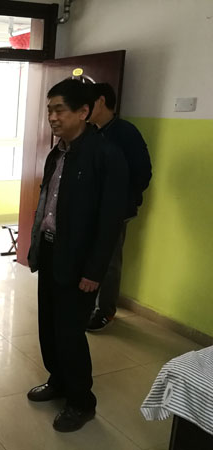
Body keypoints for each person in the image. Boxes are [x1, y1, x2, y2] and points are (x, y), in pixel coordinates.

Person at [26, 79, 128, 432]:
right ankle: (58, 380)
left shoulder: (105, 155)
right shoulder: (58, 152)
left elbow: (110, 221)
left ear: (84, 112)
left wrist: (94, 271)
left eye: (60, 110)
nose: (52, 117)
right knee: (49, 325)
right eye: (49, 110)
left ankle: (81, 401)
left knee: (70, 332)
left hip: (80, 260)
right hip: (51, 250)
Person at [86, 82, 152, 331]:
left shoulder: (125, 132)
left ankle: (105, 312)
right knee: (90, 257)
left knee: (109, 261)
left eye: (88, 103)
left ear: (101, 101)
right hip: (92, 209)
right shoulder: (91, 132)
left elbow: (143, 173)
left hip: (115, 212)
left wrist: (120, 201)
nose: (83, 109)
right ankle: (87, 305)